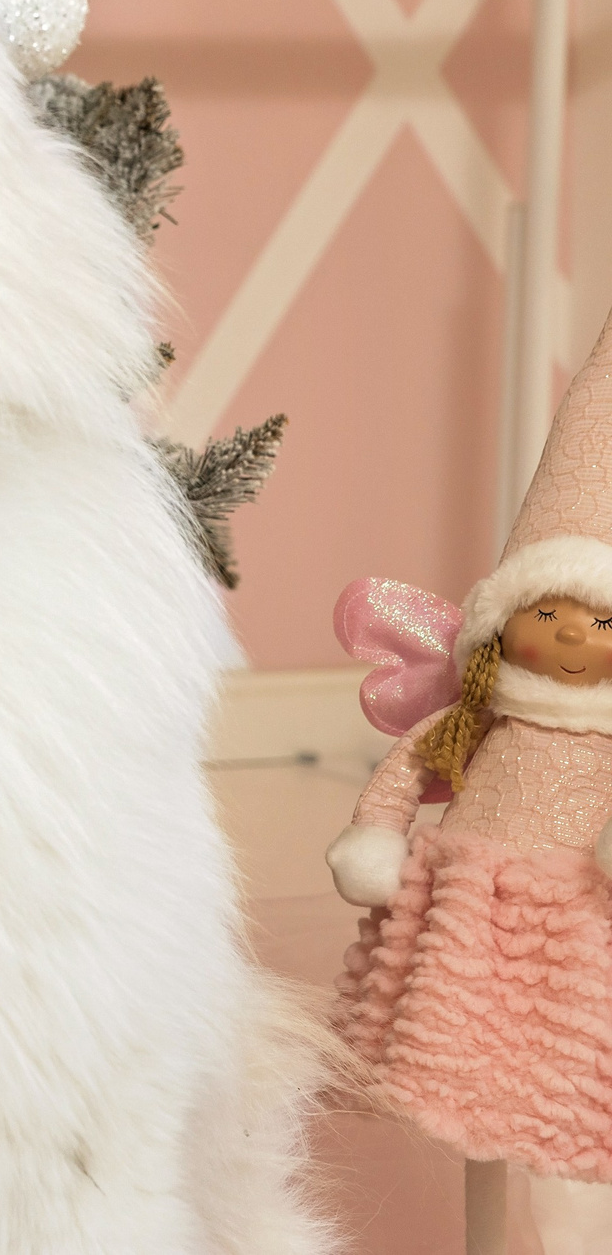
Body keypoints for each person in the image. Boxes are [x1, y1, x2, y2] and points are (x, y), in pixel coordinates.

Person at [331, 308, 612, 1254]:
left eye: (603, 624)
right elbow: (417, 762)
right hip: (471, 904)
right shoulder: (477, 716)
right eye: (554, 612)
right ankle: (487, 1235)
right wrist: (377, 832)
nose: (576, 637)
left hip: (579, 917)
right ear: (505, 622)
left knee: (565, 1085)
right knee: (469, 1079)